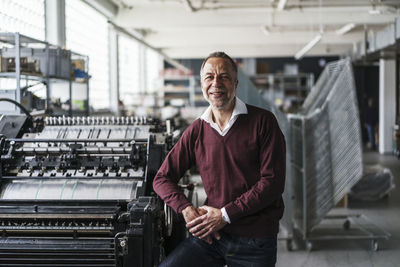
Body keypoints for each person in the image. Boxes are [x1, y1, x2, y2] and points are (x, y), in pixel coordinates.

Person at [153, 52, 286, 267]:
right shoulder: (197, 130)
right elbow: (162, 179)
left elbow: (272, 183)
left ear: (235, 82)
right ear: (202, 84)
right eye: (209, 77)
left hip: (255, 238)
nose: (216, 83)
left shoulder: (263, 122)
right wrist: (187, 210)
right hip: (211, 236)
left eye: (223, 76)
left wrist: (224, 215)